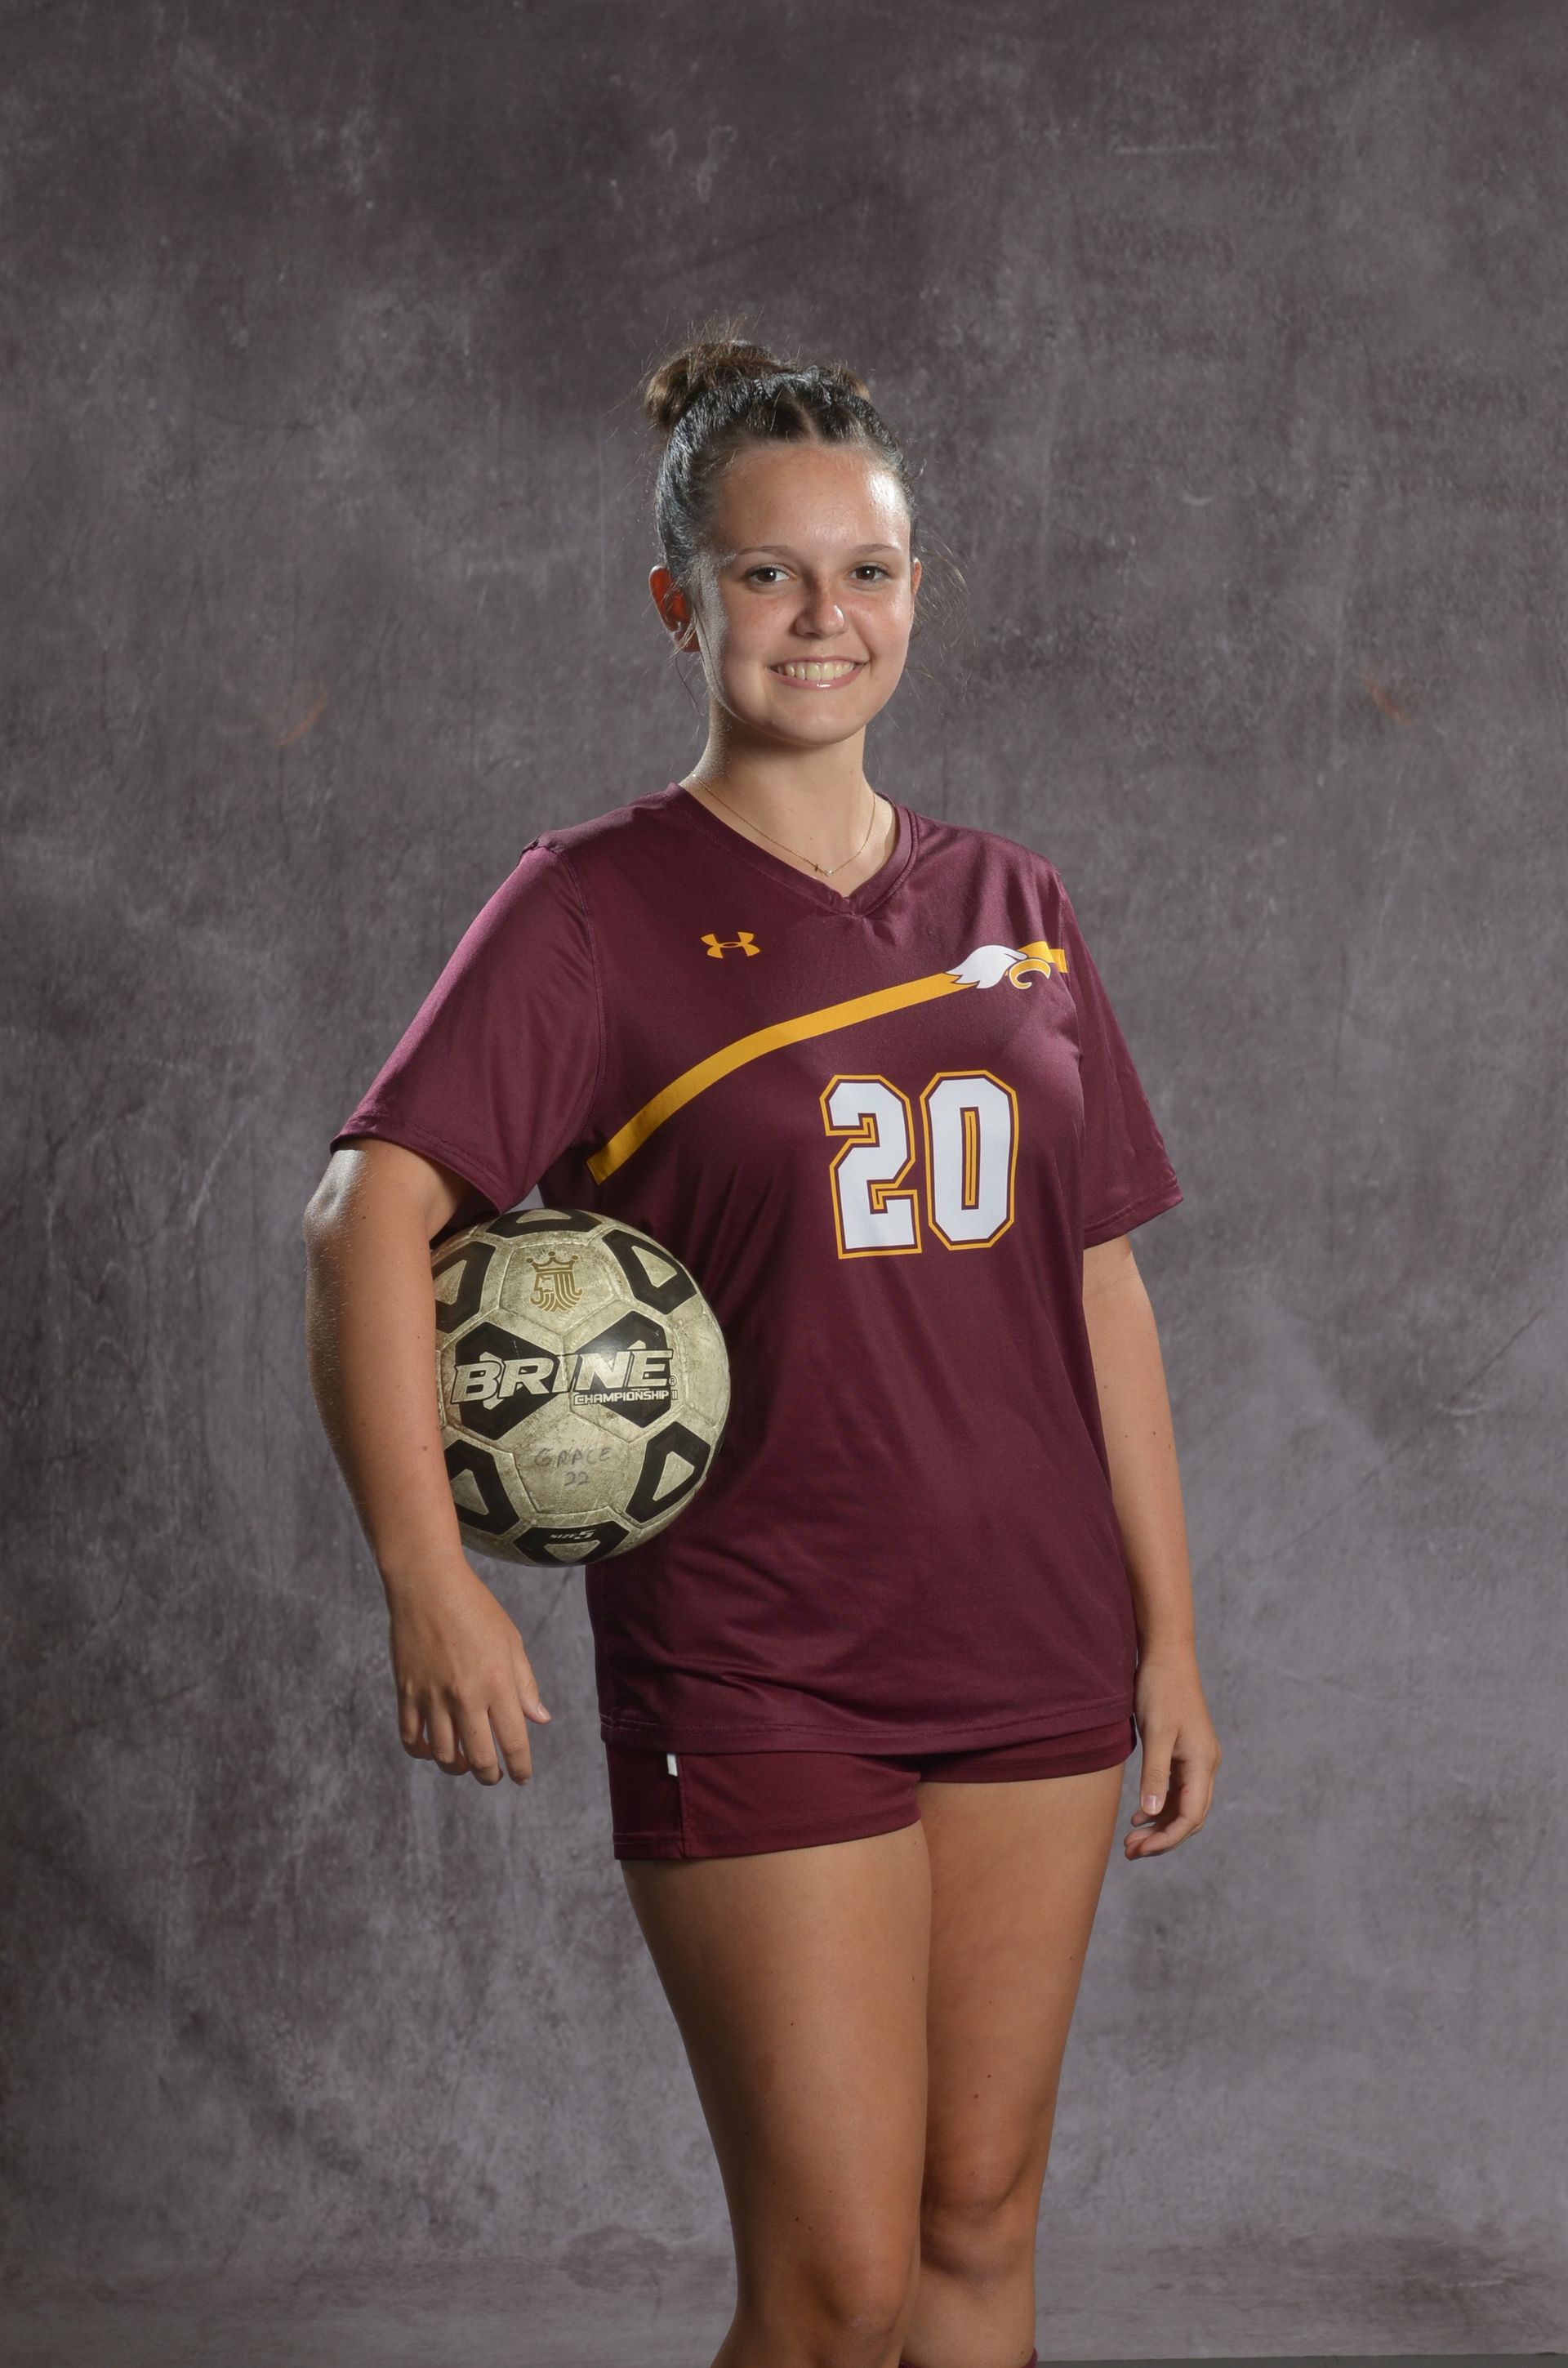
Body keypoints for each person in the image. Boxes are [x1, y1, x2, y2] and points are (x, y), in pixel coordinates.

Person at [303, 333, 1222, 2368]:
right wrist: (425, 1575)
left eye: (869, 571)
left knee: (976, 2233)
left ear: (918, 588)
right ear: (680, 603)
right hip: (762, 1648)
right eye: (772, 575)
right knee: (835, 2288)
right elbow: (367, 1216)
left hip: (1037, 1652)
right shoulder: (592, 908)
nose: (829, 618)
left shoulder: (1020, 903)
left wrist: (1166, 1635)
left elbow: (1101, 1287)